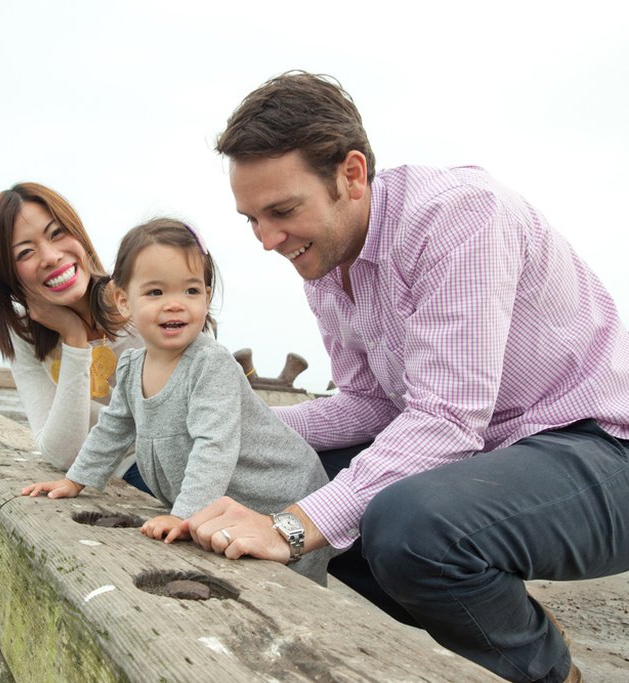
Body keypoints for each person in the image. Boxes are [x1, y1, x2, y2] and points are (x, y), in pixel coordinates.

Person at [182, 71, 629, 683]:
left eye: (282, 211)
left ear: (353, 175)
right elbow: (369, 404)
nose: (267, 240)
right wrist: (232, 426)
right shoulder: (325, 260)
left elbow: (446, 419)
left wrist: (291, 527)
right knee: (266, 469)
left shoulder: (459, 218)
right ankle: (490, 630)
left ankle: (544, 672)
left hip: (601, 446)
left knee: (407, 525)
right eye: (252, 220)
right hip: (496, 454)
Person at [22, 219, 333, 584]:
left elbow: (213, 447)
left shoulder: (209, 363)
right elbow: (114, 428)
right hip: (222, 509)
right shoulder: (131, 364)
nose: (175, 305)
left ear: (206, 294)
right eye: (155, 293)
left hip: (280, 495)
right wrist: (75, 481)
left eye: (190, 291)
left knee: (293, 588)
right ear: (122, 300)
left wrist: (183, 515)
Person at [0, 182, 149, 492]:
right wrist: (73, 338)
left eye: (57, 233)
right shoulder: (25, 337)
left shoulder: (139, 298)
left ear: (78, 233)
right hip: (123, 473)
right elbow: (62, 453)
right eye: (26, 252)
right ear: (7, 276)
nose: (51, 256)